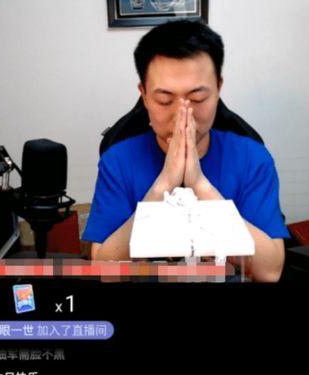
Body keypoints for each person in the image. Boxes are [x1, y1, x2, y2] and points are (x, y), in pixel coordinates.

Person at [82, 20, 289, 282]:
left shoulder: (251, 158)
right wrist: (163, 185)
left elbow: (270, 271)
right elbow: (105, 270)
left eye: (198, 98)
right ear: (144, 95)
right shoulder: (118, 160)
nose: (182, 113)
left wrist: (200, 185)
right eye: (164, 100)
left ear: (218, 89)